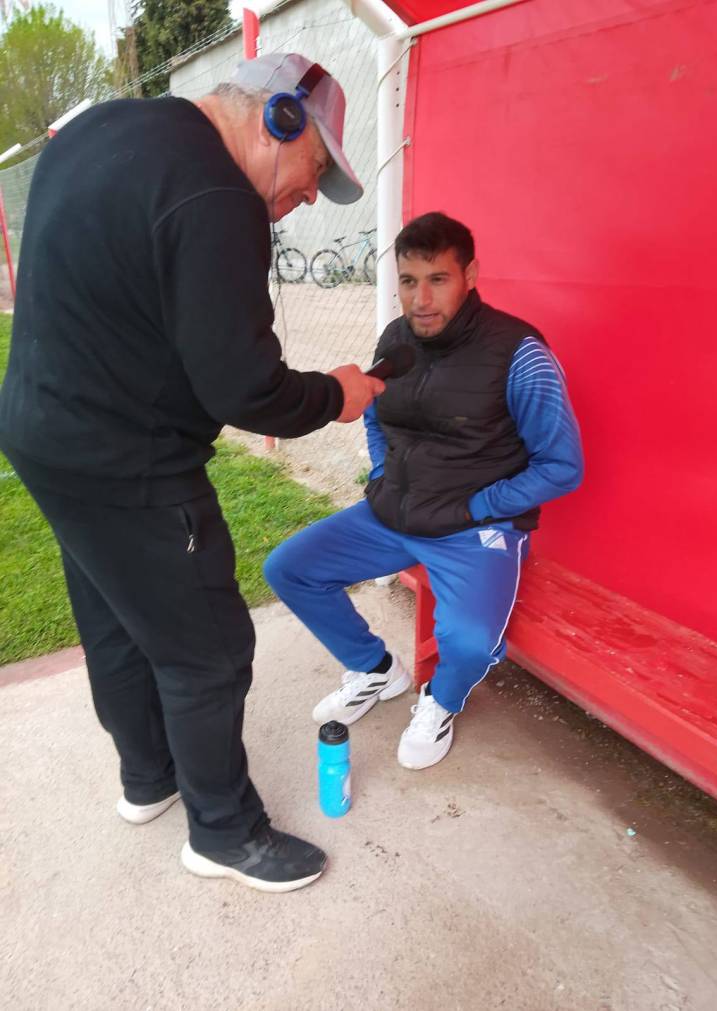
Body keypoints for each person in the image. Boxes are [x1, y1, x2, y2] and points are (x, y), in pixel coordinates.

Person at [0, 53, 384, 893]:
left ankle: (149, 777)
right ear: (278, 119)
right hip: (128, 459)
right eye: (314, 170)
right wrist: (338, 394)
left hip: (41, 431)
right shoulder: (216, 196)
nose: (307, 196)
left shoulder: (101, 129)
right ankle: (224, 832)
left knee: (116, 611)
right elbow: (246, 387)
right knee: (208, 646)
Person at [265, 212, 584, 771]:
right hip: (395, 513)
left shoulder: (519, 352)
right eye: (409, 281)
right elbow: (374, 412)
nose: (421, 300)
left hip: (472, 527)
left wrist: (478, 507)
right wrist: (383, 474)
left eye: (438, 279)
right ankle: (375, 671)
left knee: (469, 642)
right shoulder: (396, 337)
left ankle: (441, 700)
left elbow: (562, 467)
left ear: (470, 276)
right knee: (289, 569)